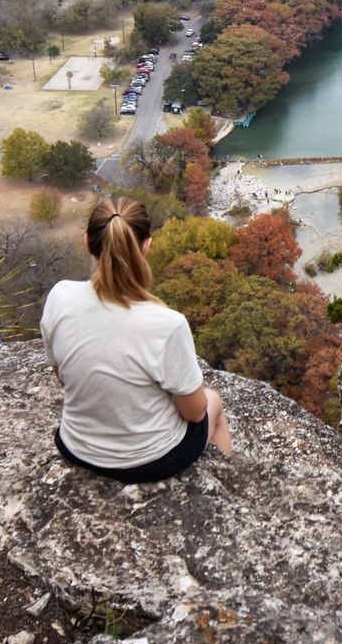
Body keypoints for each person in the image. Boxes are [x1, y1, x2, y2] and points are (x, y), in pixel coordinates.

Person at [41, 196, 232, 482]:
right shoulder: (166, 323)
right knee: (212, 402)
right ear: (146, 246)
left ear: (86, 242)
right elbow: (194, 413)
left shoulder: (60, 296)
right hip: (148, 460)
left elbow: (63, 377)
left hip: (76, 446)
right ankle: (225, 481)